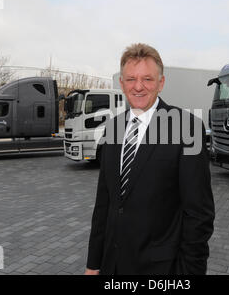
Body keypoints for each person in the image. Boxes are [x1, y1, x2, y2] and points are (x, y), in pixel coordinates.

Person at [85, 43, 215, 275]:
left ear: (161, 83)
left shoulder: (187, 128)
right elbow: (104, 203)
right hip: (111, 265)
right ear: (122, 84)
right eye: (131, 79)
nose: (138, 87)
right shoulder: (112, 128)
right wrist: (93, 264)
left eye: (147, 79)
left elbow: (199, 215)